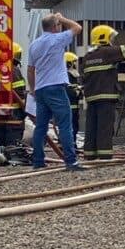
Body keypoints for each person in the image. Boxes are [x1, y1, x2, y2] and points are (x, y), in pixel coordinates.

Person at [81, 24, 125, 160]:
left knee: (91, 127)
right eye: (111, 37)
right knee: (105, 127)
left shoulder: (88, 57)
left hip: (91, 98)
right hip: (106, 97)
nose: (112, 40)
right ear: (103, 38)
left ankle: (90, 155)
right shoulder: (107, 53)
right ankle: (105, 155)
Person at [25, 12, 84, 171]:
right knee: (65, 124)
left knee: (41, 127)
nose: (60, 27)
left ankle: (38, 161)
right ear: (55, 26)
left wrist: (33, 89)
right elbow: (77, 27)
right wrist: (62, 18)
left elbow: (30, 69)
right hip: (56, 86)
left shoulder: (34, 45)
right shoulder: (57, 39)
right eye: (59, 25)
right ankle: (71, 161)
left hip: (40, 89)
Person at [0, 42, 26, 150]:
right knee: (12, 149)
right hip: (14, 115)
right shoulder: (14, 70)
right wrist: (26, 108)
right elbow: (20, 93)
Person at [65, 51, 82, 142]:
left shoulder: (72, 75)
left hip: (74, 107)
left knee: (74, 127)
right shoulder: (66, 75)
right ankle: (68, 145)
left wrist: (79, 90)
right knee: (70, 128)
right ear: (68, 63)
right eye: (73, 62)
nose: (75, 65)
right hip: (68, 107)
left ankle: (72, 144)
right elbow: (69, 91)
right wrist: (77, 91)